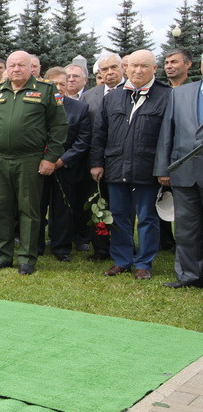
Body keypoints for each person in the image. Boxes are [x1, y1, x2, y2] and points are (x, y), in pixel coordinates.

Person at [0, 51, 65, 275]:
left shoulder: (46, 90)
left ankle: (27, 257)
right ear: (6, 68)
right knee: (2, 209)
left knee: (29, 210)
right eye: (12, 65)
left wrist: (50, 158)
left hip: (30, 160)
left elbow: (59, 127)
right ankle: (3, 255)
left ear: (31, 68)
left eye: (21, 65)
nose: (16, 69)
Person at [91, 50, 171, 280]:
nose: (138, 70)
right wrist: (96, 163)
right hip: (116, 167)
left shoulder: (166, 96)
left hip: (148, 169)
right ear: (126, 68)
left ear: (155, 69)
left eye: (144, 66)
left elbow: (171, 136)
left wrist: (164, 168)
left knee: (147, 218)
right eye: (133, 65)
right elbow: (100, 134)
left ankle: (144, 263)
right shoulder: (113, 97)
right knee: (119, 216)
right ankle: (122, 260)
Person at [155, 72, 203, 288]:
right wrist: (162, 168)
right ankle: (188, 276)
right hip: (184, 171)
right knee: (186, 228)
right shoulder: (180, 93)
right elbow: (168, 132)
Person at [38, 66, 91, 261]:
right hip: (39, 166)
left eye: (63, 83)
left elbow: (83, 140)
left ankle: (61, 247)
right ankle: (36, 246)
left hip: (65, 167)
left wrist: (62, 160)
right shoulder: (36, 105)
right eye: (54, 84)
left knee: (63, 210)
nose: (59, 87)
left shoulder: (80, 108)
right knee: (37, 208)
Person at [81, 52, 124, 260]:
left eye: (113, 68)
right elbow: (85, 130)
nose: (109, 73)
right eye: (104, 70)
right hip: (94, 161)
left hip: (123, 161)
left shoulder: (130, 92)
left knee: (120, 208)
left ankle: (121, 247)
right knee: (97, 205)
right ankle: (100, 249)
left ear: (122, 68)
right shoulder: (90, 96)